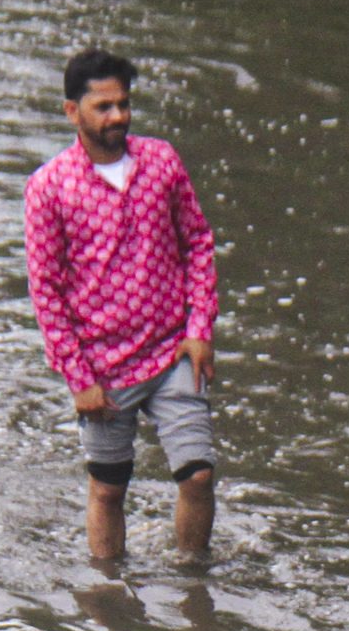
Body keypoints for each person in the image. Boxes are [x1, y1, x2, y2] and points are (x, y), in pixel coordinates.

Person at [24, 48, 220, 560]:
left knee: (198, 475)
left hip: (173, 351)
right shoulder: (48, 187)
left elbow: (198, 242)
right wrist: (78, 378)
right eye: (104, 107)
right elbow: (46, 291)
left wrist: (200, 328)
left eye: (124, 104)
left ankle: (193, 578)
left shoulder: (162, 162)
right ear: (73, 112)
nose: (118, 116)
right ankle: (107, 590)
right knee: (109, 489)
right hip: (103, 368)